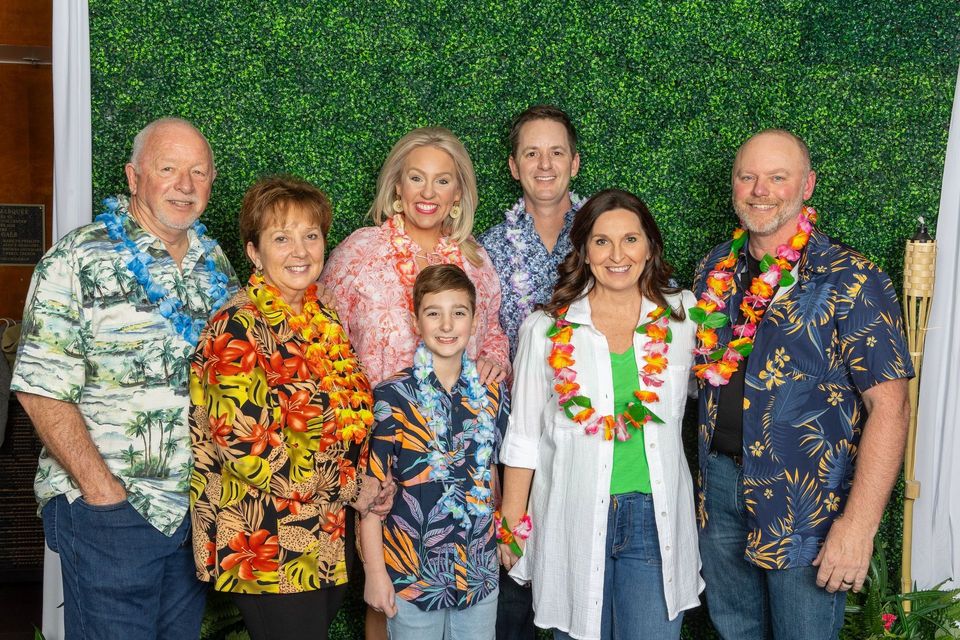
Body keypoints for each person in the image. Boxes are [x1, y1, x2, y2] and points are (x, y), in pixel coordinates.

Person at [11, 117, 239, 638]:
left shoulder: (216, 264)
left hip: (194, 514)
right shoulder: (77, 258)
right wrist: (102, 492)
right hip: (113, 511)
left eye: (199, 172)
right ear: (134, 178)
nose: (185, 185)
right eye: (169, 169)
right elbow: (39, 387)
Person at [691, 129, 913, 640]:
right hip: (721, 488)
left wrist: (858, 527)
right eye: (747, 177)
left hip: (807, 503)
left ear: (807, 185)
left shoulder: (851, 278)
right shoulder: (713, 270)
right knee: (735, 631)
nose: (759, 189)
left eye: (777, 177)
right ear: (733, 185)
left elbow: (891, 410)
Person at [189, 175, 395, 640]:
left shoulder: (323, 317)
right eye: (281, 238)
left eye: (310, 235)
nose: (299, 251)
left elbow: (345, 422)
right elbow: (250, 453)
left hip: (324, 537)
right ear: (254, 252)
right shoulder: (236, 330)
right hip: (267, 544)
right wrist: (353, 486)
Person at [500, 189, 703, 640]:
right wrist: (513, 520)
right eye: (602, 241)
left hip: (654, 517)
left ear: (649, 247)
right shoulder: (546, 328)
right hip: (571, 511)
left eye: (630, 240)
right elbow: (524, 434)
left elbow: (710, 394)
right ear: (584, 251)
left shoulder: (683, 318)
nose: (617, 255)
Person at [361, 264, 509, 640]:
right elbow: (373, 493)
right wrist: (376, 575)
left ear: (475, 322)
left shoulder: (492, 394)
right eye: (433, 313)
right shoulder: (391, 398)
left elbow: (497, 474)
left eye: (458, 313)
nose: (447, 325)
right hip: (412, 577)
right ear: (416, 321)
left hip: (478, 574)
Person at [319, 126, 509, 387]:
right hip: (378, 422)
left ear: (457, 193)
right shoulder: (359, 253)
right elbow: (322, 334)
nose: (428, 193)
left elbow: (492, 334)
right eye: (416, 178)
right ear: (398, 186)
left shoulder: (475, 260)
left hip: (463, 421)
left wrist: (494, 361)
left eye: (442, 181)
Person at [479, 104, 583, 360]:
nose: (545, 165)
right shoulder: (488, 249)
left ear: (574, 163)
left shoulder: (605, 235)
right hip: (519, 395)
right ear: (514, 167)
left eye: (556, 152)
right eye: (531, 154)